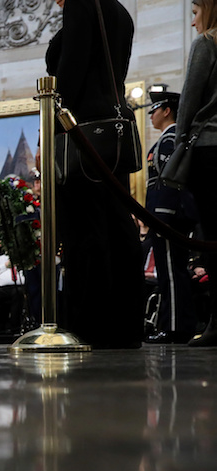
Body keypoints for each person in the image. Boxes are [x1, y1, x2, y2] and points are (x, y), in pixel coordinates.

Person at [46, 0, 142, 349]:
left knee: (86, 232)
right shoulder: (120, 12)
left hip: (82, 134)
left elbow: (69, 74)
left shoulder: (81, 4)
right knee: (118, 226)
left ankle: (90, 326)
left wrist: (53, 127)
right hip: (113, 134)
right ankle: (126, 325)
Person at [143, 91, 198, 344]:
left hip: (167, 217)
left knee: (172, 273)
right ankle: (171, 324)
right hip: (164, 217)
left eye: (154, 109)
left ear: (167, 111)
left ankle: (175, 328)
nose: (150, 115)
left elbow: (169, 182)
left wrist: (160, 217)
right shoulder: (166, 139)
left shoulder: (170, 139)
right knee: (168, 273)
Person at [179, 0, 217, 346]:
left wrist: (178, 149)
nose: (193, 22)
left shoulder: (208, 43)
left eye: (195, 12)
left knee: (212, 238)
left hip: (209, 149)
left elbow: (189, 101)